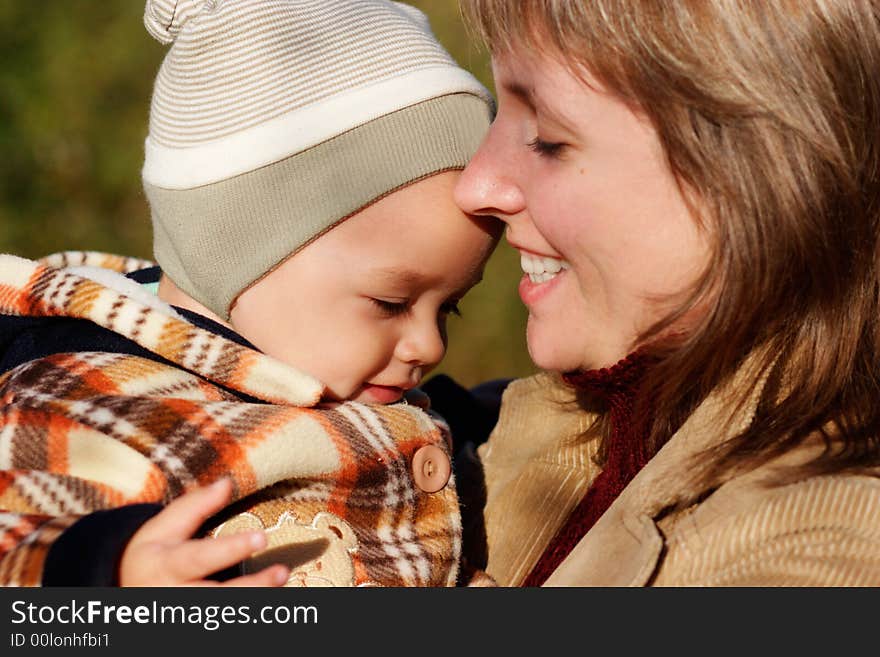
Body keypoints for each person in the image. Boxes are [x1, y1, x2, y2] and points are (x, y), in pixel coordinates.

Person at [0, 0, 498, 587]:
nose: (428, 344)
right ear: (239, 246)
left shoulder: (346, 386)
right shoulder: (87, 396)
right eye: (391, 302)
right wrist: (109, 574)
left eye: (450, 306)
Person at [451, 0, 880, 586]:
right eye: (499, 109)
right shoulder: (517, 425)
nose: (475, 186)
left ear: (756, 180)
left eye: (548, 138)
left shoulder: (822, 552)